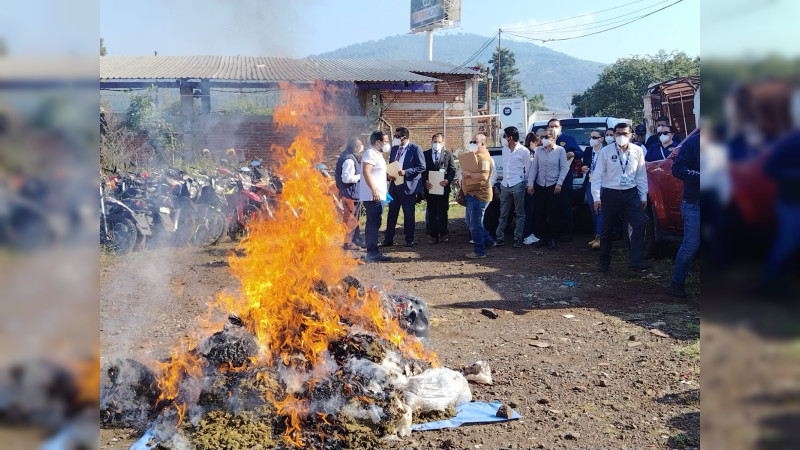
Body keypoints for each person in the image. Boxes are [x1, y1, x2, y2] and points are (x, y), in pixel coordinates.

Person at [592, 122, 651, 272]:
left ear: (631, 135)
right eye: (618, 134)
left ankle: (635, 261)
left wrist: (643, 196)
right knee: (607, 229)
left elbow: (641, 176)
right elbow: (597, 175)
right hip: (610, 193)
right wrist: (596, 198)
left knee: (639, 224)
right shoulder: (605, 151)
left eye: (625, 134)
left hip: (630, 194)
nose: (621, 137)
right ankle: (604, 263)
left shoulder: (637, 151)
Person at [759, 129, 800, 298]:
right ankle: (769, 284)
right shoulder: (790, 142)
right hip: (792, 201)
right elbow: (769, 169)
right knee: (787, 242)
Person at [383, 127, 426, 247]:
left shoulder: (415, 149)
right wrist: (389, 175)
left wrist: (406, 171)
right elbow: (391, 164)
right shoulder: (395, 149)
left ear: (405, 137)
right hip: (394, 184)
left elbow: (421, 167)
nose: (395, 139)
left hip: (408, 185)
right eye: (395, 136)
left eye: (397, 137)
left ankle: (409, 239)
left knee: (408, 214)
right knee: (392, 213)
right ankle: (388, 240)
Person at [527, 127, 569, 250]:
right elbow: (534, 167)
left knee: (553, 212)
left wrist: (559, 184)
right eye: (543, 137)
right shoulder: (539, 150)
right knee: (540, 211)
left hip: (553, 185)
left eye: (547, 137)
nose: (544, 139)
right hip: (540, 184)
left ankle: (552, 238)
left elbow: (563, 168)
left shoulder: (560, 150)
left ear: (554, 138)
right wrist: (530, 183)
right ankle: (542, 237)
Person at [670, 132, 700, 298]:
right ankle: (677, 282)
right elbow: (678, 169)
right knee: (690, 246)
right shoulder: (693, 143)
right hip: (695, 204)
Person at [495, 126, 529, 248]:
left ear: (510, 137)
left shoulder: (523, 151)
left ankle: (517, 238)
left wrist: (525, 183)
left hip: (517, 184)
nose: (503, 138)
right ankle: (499, 237)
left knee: (519, 213)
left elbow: (528, 169)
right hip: (505, 184)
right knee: (503, 212)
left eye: (504, 136)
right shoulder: (505, 149)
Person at [548, 119, 582, 242]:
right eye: (551, 126)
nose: (553, 128)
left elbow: (580, 152)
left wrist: (572, 153)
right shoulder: (545, 139)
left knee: (565, 206)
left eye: (556, 126)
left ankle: (566, 232)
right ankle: (553, 233)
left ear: (560, 128)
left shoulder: (568, 139)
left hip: (565, 178)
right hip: (548, 179)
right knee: (551, 207)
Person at [360, 131, 391, 262]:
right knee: (373, 224)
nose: (387, 144)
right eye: (385, 141)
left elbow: (376, 173)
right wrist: (373, 190)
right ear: (378, 142)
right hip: (373, 196)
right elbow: (366, 171)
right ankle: (372, 252)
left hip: (377, 195)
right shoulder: (370, 153)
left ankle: (372, 251)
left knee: (373, 223)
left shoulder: (377, 154)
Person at [463, 133, 495, 259]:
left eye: (474, 142)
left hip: (479, 195)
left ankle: (479, 251)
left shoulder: (484, 158)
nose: (472, 143)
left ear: (482, 143)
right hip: (472, 194)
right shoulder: (475, 155)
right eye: (471, 141)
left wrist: (468, 174)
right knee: (472, 222)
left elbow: (484, 176)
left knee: (475, 224)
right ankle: (489, 242)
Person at [421, 133, 456, 244]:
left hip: (443, 188)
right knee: (432, 212)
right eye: (435, 142)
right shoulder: (425, 154)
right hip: (430, 188)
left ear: (443, 143)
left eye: (439, 142)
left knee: (443, 212)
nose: (437, 144)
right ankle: (433, 235)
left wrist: (448, 180)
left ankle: (444, 233)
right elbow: (421, 170)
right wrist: (425, 181)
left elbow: (452, 170)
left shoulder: (448, 154)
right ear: (431, 142)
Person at [335, 137, 364, 250]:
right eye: (359, 146)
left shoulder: (346, 156)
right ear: (355, 147)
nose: (361, 148)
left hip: (350, 194)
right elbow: (346, 178)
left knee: (353, 219)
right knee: (350, 220)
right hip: (350, 194)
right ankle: (348, 242)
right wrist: (361, 176)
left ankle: (355, 240)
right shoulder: (349, 160)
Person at [582, 129, 605, 250]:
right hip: (590, 183)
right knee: (593, 210)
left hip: (602, 183)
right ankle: (596, 236)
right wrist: (584, 168)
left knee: (600, 209)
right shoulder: (588, 150)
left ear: (601, 139)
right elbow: (584, 164)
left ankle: (601, 237)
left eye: (595, 137)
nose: (592, 139)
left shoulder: (605, 151)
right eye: (591, 137)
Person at [522, 131, 541, 245]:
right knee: (528, 211)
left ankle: (530, 233)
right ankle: (526, 235)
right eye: (538, 144)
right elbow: (528, 171)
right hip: (528, 186)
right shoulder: (529, 153)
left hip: (531, 185)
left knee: (531, 210)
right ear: (532, 143)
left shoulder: (531, 152)